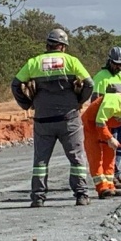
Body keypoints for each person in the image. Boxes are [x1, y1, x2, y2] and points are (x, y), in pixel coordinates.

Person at [11, 28, 95, 207]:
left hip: (43, 120)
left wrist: (26, 104)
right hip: (69, 119)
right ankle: (81, 195)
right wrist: (79, 101)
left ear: (48, 45)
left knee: (40, 161)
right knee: (76, 158)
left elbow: (16, 84)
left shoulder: (34, 62)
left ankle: (38, 197)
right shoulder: (71, 61)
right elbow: (89, 83)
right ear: (63, 46)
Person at [91, 46, 121, 188]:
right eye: (116, 64)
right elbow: (96, 101)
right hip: (108, 121)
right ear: (109, 61)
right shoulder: (101, 77)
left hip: (120, 121)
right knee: (110, 149)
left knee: (119, 148)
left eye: (120, 64)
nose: (118, 67)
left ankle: (115, 174)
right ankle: (110, 177)